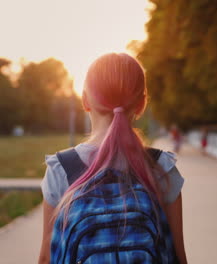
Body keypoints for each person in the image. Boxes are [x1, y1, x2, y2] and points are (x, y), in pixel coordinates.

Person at [38, 53, 187, 264]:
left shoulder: (61, 169)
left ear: (85, 100)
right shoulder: (162, 167)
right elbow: (177, 257)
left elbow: (46, 258)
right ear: (141, 103)